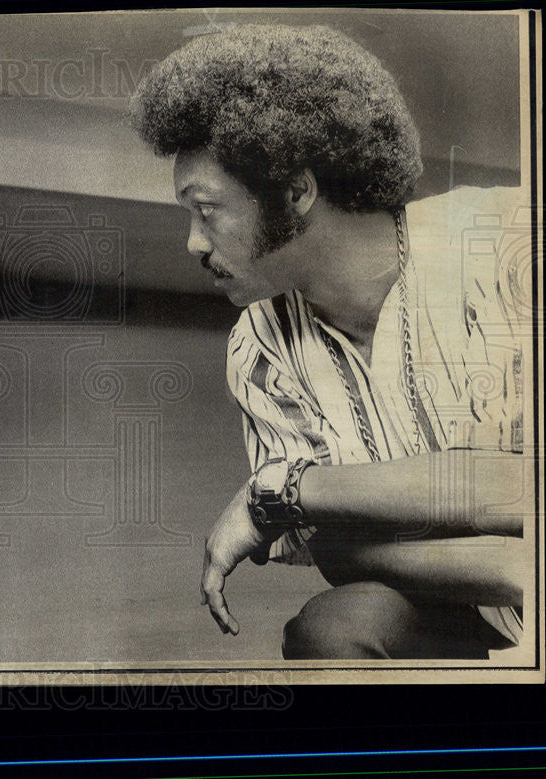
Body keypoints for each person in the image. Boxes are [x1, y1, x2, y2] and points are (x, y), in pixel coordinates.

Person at [130, 25, 531, 658]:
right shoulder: (257, 348)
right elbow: (338, 550)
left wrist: (284, 487)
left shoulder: (508, 240)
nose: (193, 244)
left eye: (206, 209)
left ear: (295, 190)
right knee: (337, 626)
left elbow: (526, 486)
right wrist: (516, 569)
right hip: (465, 614)